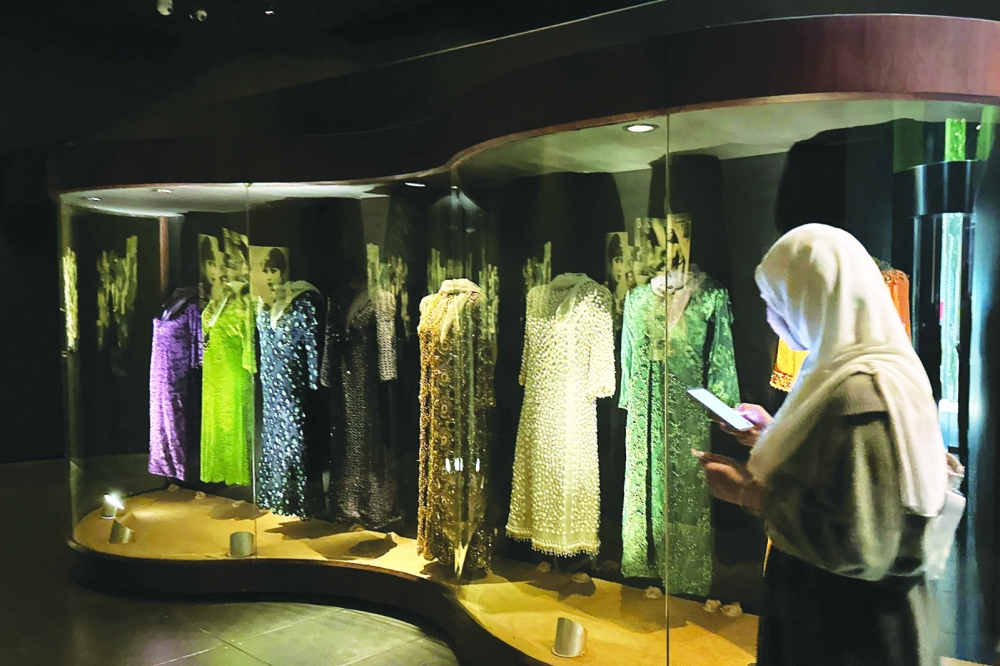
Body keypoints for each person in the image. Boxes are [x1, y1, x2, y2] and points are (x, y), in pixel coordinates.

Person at [696, 224, 951, 666]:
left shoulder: (862, 392)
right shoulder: (846, 369)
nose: (774, 316)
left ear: (813, 296)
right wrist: (769, 434)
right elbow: (844, 470)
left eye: (779, 300)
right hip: (839, 618)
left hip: (849, 631)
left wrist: (749, 493)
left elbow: (860, 541)